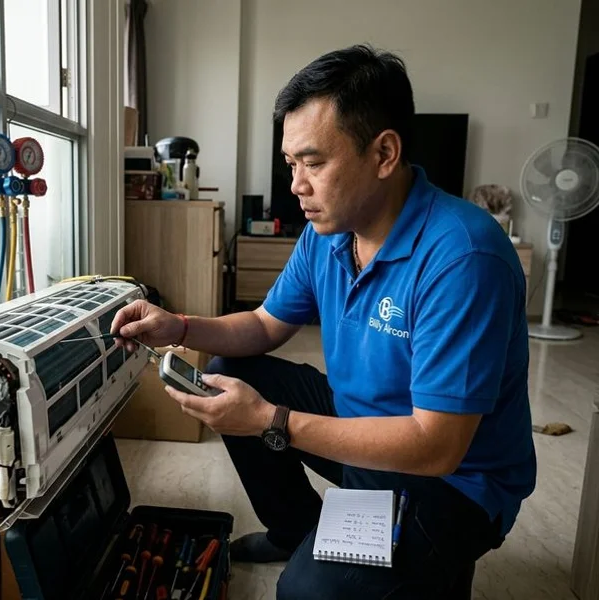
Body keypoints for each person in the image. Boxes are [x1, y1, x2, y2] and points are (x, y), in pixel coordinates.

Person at [111, 44, 536, 599]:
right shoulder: (326, 234)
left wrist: (270, 420)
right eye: (291, 164)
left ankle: (427, 559)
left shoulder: (463, 258)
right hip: (364, 429)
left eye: (314, 163)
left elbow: (436, 447)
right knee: (231, 367)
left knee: (305, 593)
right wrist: (180, 327)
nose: (296, 185)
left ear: (384, 153)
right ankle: (297, 531)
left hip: (453, 481)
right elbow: (264, 325)